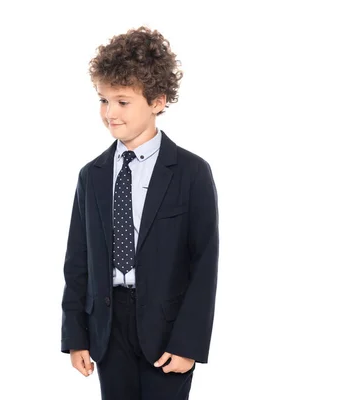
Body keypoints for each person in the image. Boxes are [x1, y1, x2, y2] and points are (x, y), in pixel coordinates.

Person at [60, 26, 219, 399]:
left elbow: (204, 263)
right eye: (103, 100)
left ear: (157, 101)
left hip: (167, 332)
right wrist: (75, 335)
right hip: (108, 326)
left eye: (122, 101)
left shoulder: (191, 172)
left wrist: (189, 343)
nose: (109, 113)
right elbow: (78, 261)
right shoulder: (92, 175)